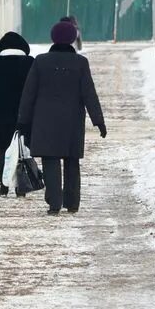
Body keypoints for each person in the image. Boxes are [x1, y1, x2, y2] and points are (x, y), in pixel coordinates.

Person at [17, 20, 106, 215]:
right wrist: (98, 120)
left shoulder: (41, 61)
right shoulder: (80, 63)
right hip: (72, 120)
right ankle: (72, 202)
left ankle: (54, 203)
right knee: (71, 161)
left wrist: (23, 120)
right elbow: (89, 93)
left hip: (45, 120)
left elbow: (29, 93)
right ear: (73, 39)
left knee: (50, 161)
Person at [0, 31, 34, 197]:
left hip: (0, 114)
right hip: (23, 113)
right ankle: (21, 187)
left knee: (4, 151)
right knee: (22, 150)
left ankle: (3, 187)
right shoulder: (29, 62)